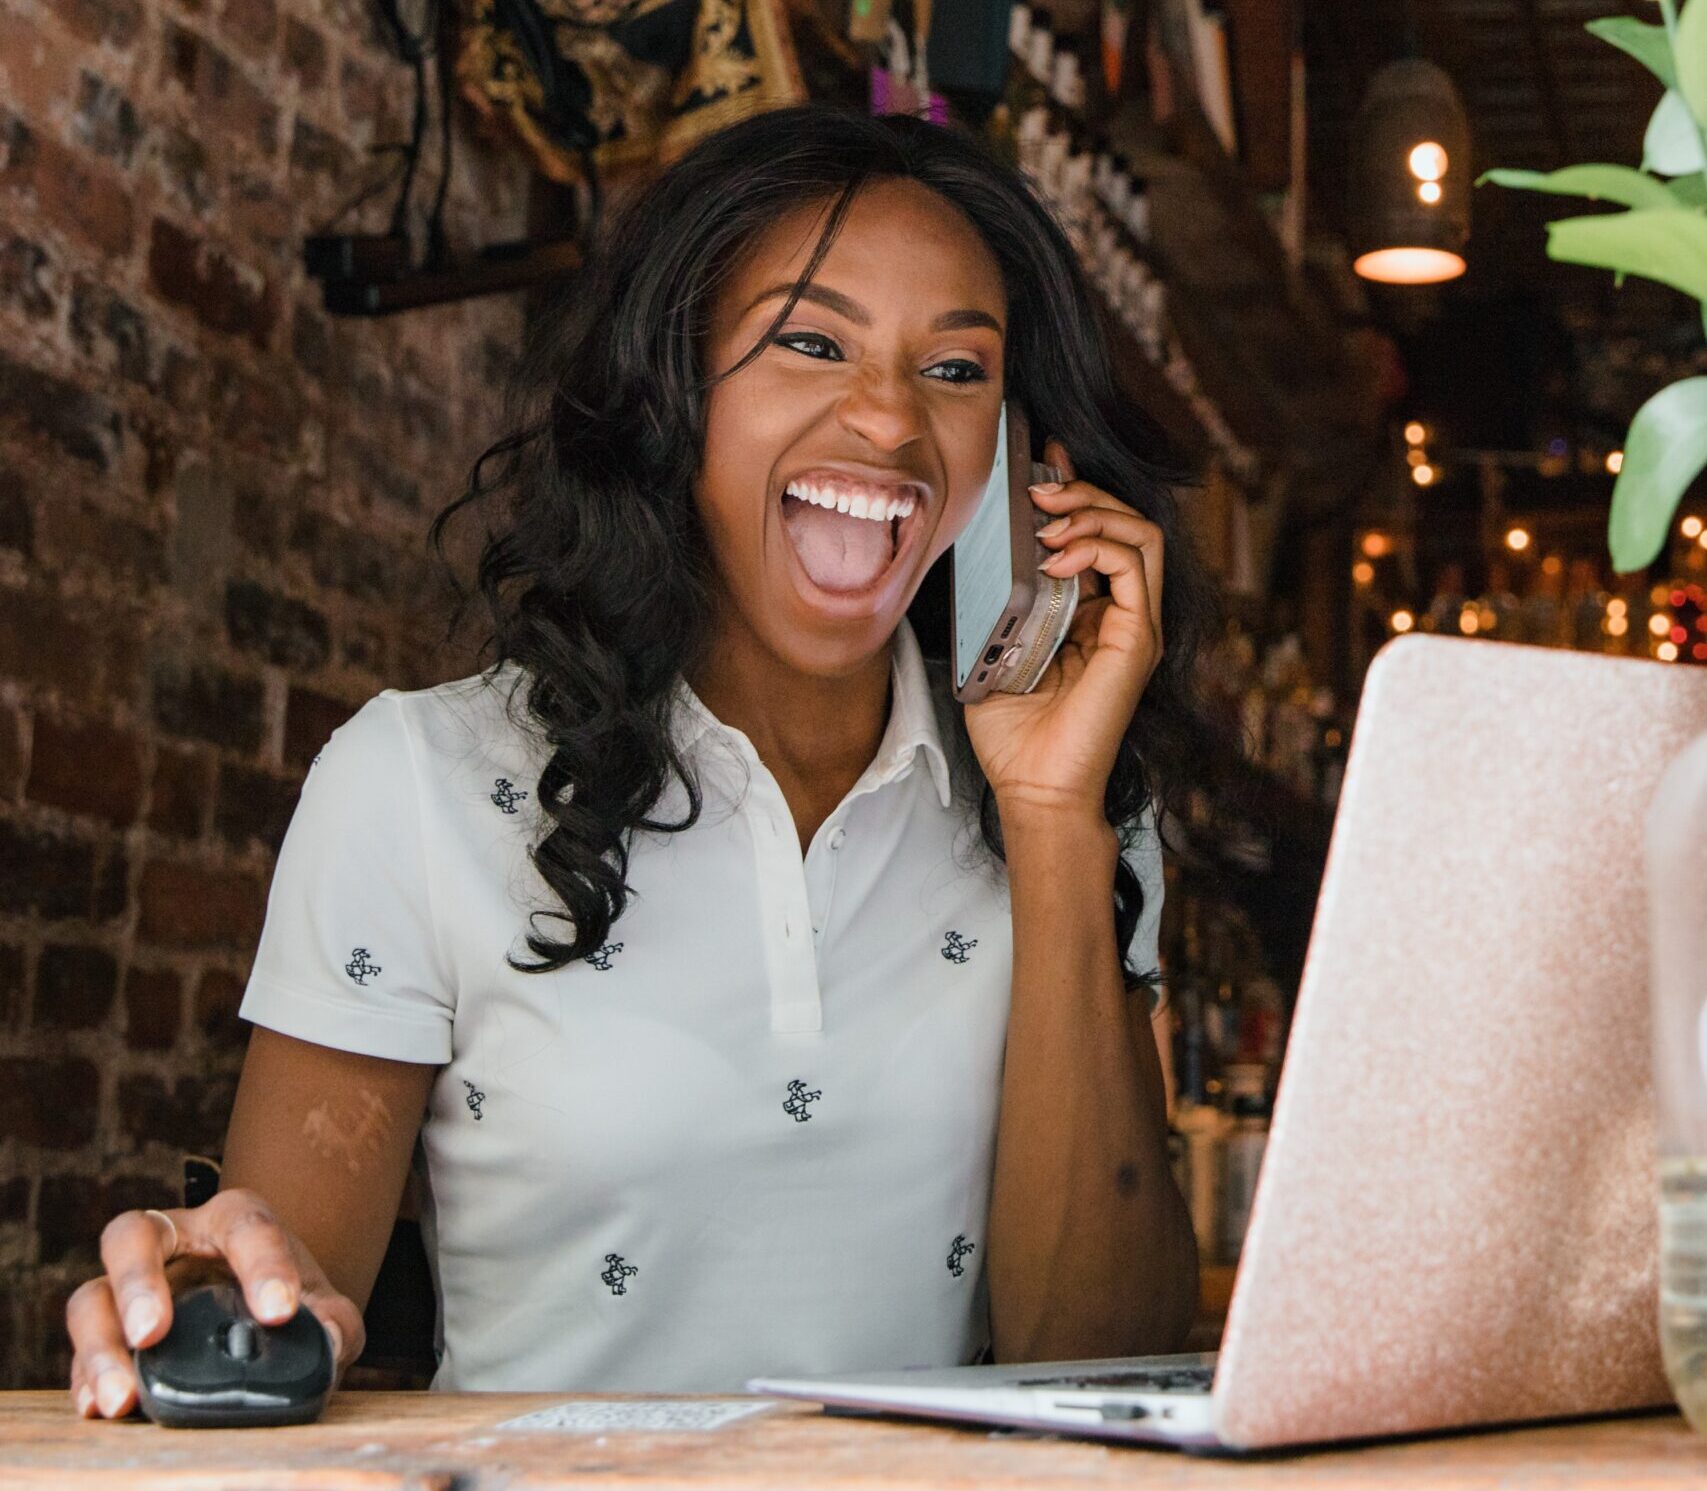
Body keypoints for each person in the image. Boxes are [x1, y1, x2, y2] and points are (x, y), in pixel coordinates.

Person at [65, 101, 1231, 1418]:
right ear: (673, 389)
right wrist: (215, 1293)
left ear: (1026, 462)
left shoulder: (1067, 813)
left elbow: (1102, 1361)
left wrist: (1054, 813)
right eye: (810, 341)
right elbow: (277, 1323)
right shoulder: (417, 782)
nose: (893, 425)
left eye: (956, 372)